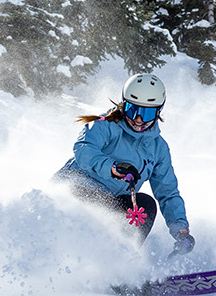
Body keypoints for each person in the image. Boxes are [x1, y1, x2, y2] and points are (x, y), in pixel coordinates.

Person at [54, 73, 195, 256]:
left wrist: (180, 230)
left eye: (147, 113)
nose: (138, 119)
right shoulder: (105, 125)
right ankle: (95, 265)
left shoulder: (158, 148)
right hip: (76, 188)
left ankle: (120, 269)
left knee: (144, 205)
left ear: (158, 111)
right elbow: (84, 149)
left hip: (109, 201)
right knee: (99, 206)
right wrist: (112, 168)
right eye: (132, 110)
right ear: (124, 104)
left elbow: (168, 191)